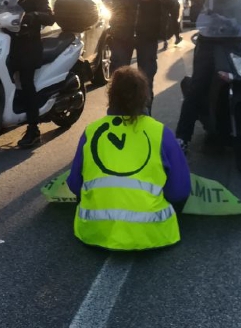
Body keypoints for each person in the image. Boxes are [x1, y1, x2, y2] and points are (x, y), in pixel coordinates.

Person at [67, 65, 190, 251]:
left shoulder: (92, 132)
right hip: (153, 235)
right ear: (145, 97)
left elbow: (74, 184)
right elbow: (180, 191)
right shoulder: (160, 133)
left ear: (111, 97)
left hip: (93, 233)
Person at [173, 0, 240, 153]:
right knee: (197, 87)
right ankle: (182, 138)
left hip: (236, 43)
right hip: (210, 43)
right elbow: (198, 1)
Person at [106, 0, 173, 111]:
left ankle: (145, 122)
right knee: (118, 81)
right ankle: (115, 119)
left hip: (148, 35)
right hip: (121, 34)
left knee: (146, 81)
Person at [6, 0, 55, 149]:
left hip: (28, 45)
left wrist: (34, 15)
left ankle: (33, 129)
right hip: (9, 43)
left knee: (26, 84)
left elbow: (50, 17)